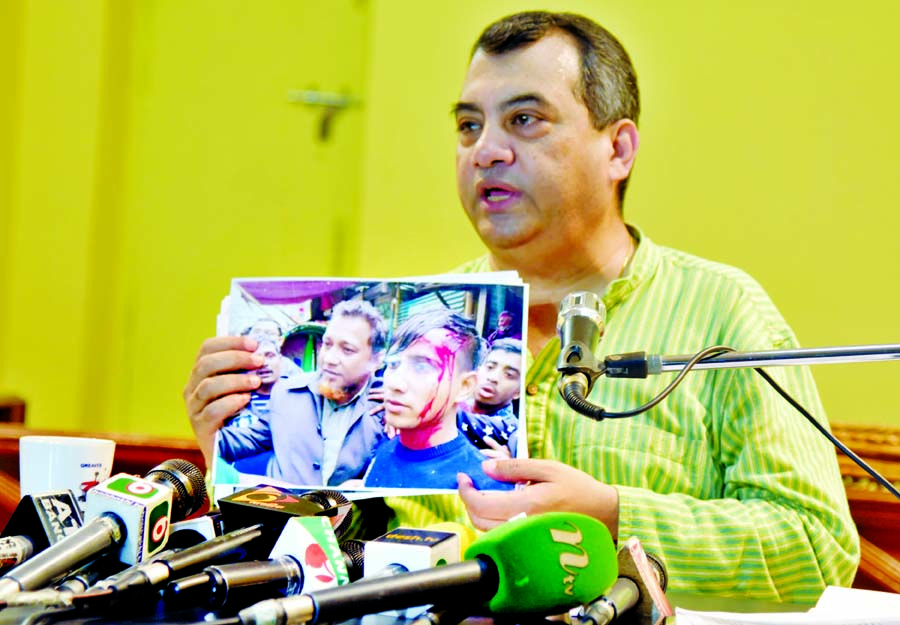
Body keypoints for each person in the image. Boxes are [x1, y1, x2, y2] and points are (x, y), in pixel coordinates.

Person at [183, 10, 859, 602]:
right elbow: (348, 550)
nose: (486, 151)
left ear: (618, 148)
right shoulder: (412, 327)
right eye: (469, 126)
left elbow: (816, 545)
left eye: (525, 120)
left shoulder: (720, 311)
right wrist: (251, 464)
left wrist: (614, 517)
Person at [190, 299, 388, 486]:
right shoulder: (286, 392)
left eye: (347, 350)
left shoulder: (385, 406)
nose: (330, 359)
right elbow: (243, 441)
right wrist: (207, 427)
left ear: (376, 359)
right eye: (327, 344)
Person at [363, 309, 515, 491]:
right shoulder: (383, 450)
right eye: (393, 364)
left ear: (465, 386)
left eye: (421, 366)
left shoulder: (483, 487)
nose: (395, 383)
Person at [457, 338, 522, 457]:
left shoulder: (511, 428)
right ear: (478, 369)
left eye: (509, 375)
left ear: (518, 392)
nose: (493, 378)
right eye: (490, 367)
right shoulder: (458, 400)